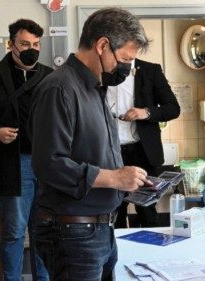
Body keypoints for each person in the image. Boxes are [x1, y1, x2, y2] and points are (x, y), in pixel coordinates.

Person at [29, 7, 150, 280]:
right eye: (124, 59)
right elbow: (49, 164)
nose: (126, 68)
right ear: (102, 45)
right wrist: (114, 178)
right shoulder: (59, 89)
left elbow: (94, 153)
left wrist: (128, 180)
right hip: (73, 234)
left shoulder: (95, 89)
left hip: (100, 229)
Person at [0, 19, 52, 281]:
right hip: (14, 164)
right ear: (11, 44)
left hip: (48, 165)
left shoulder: (49, 75)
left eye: (36, 44)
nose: (31, 49)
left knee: (44, 232)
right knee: (14, 231)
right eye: (25, 43)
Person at [109, 58, 180, 228]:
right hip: (110, 152)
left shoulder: (150, 70)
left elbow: (173, 108)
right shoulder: (103, 67)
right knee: (114, 210)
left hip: (142, 152)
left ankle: (151, 254)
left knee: (147, 210)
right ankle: (118, 254)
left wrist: (146, 112)